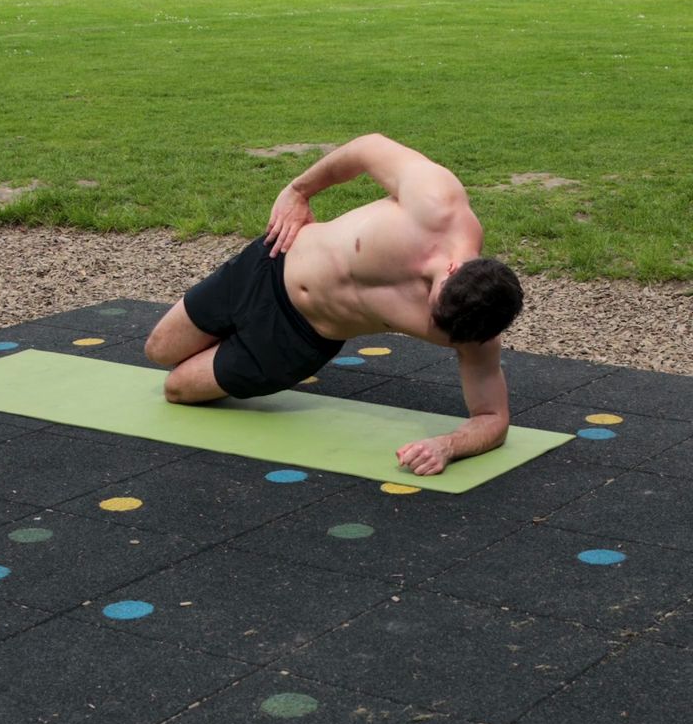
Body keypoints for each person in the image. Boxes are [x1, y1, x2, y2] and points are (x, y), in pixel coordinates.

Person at [145, 134, 523, 476]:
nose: (429, 316)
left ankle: (229, 359)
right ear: (455, 267)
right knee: (158, 350)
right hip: (270, 264)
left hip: (296, 340)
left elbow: (493, 418)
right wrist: (298, 191)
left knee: (177, 389)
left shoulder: (473, 327)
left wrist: (447, 447)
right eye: (434, 302)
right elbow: (367, 148)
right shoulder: (436, 201)